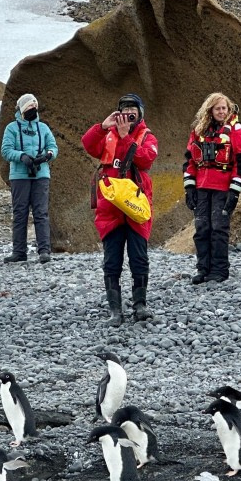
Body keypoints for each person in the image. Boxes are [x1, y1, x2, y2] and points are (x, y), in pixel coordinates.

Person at [81, 93, 159, 326]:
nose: (129, 114)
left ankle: (140, 305)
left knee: (139, 258)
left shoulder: (147, 137)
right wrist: (102, 127)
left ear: (140, 113)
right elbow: (88, 144)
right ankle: (115, 310)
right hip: (111, 207)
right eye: (125, 110)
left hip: (136, 205)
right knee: (111, 261)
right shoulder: (108, 135)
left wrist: (126, 137)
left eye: (133, 110)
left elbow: (145, 160)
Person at [183, 93, 241, 284]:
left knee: (219, 228)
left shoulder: (236, 130)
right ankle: (203, 268)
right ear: (210, 110)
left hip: (223, 187)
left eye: (224, 108)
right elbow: (189, 161)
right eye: (217, 108)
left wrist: (234, 191)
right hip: (201, 186)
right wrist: (189, 188)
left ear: (229, 110)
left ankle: (220, 269)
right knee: (201, 228)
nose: (221, 112)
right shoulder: (199, 130)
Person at [0, 93, 58, 264]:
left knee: (41, 213)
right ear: (22, 109)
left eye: (35, 106)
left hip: (41, 174)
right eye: (30, 107)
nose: (33, 109)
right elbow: (6, 150)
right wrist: (21, 156)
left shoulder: (43, 128)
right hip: (19, 176)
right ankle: (19, 251)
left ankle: (44, 251)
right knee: (20, 213)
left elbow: (53, 147)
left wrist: (48, 155)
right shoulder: (11, 128)